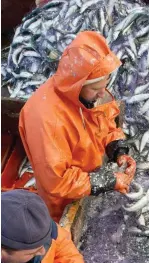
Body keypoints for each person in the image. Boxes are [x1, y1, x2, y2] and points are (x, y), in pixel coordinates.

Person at [19, 30, 136, 222]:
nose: (102, 94)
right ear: (77, 85)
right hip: (63, 199)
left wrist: (117, 148)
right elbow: (57, 181)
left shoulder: (87, 94)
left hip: (88, 178)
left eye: (104, 85)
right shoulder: (46, 120)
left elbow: (104, 121)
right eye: (96, 89)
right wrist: (106, 180)